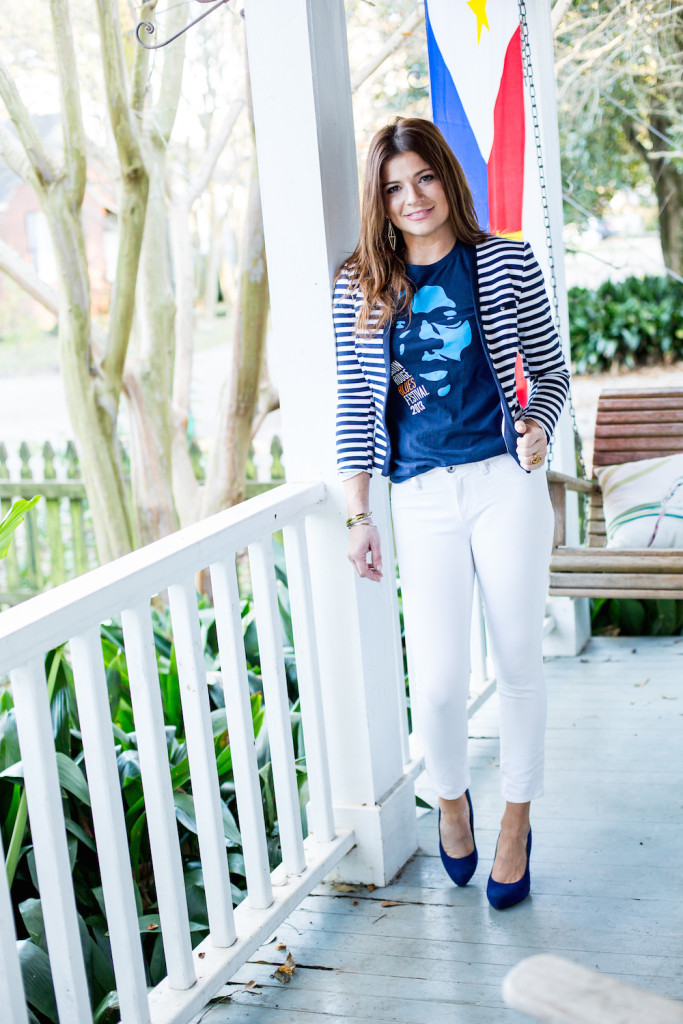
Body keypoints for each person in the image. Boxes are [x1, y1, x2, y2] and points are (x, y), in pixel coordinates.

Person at [333, 117, 569, 910]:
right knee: (434, 685)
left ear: (447, 179)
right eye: (394, 187)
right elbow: (351, 407)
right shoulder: (360, 285)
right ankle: (452, 798)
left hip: (505, 482)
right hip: (421, 496)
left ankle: (515, 820)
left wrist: (537, 428)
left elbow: (550, 369)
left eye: (423, 179)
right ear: (379, 199)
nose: (412, 198)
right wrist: (357, 515)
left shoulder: (503, 261)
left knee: (516, 664)